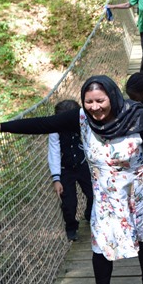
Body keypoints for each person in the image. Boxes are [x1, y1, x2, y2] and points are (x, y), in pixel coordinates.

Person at [0, 76, 143, 284]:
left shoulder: (138, 117)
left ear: (112, 97)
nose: (95, 107)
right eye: (89, 101)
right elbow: (45, 124)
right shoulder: (82, 118)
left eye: (100, 101)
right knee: (101, 244)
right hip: (106, 197)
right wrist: (1, 127)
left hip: (141, 191)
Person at [48, 100, 93, 242]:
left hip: (83, 164)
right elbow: (54, 152)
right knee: (69, 203)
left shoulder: (83, 124)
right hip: (65, 169)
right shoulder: (55, 130)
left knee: (94, 193)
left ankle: (90, 213)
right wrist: (56, 178)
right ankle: (71, 227)